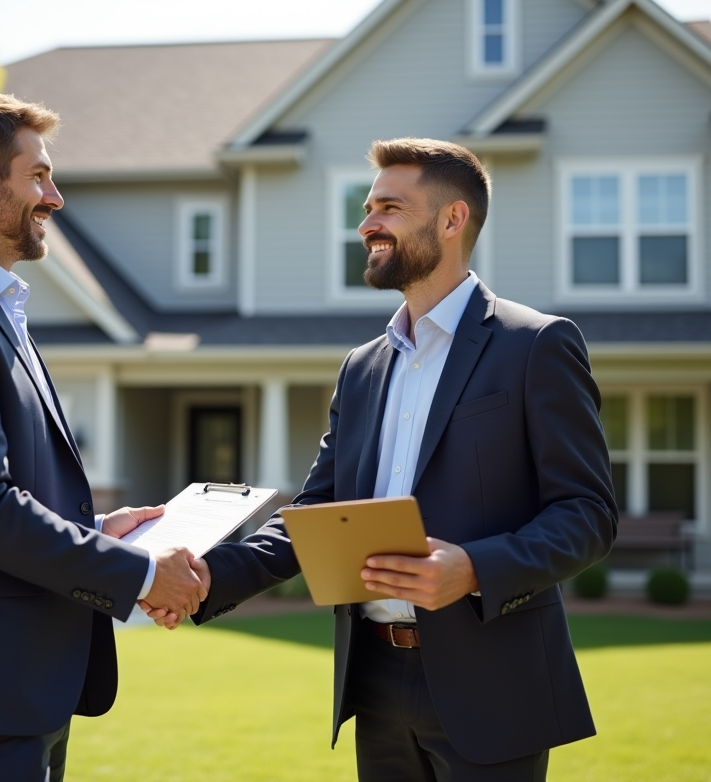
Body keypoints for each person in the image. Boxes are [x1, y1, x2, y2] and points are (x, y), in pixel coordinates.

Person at [144, 138, 618, 781]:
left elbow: (587, 513)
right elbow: (315, 514)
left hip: (494, 685)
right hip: (375, 684)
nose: (367, 223)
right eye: (368, 207)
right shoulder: (362, 367)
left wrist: (475, 568)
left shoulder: (536, 346)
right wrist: (203, 577)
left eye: (390, 207)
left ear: (452, 220)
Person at [0, 92, 207, 782]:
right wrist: (141, 573)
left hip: (22, 689)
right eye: (39, 176)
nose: (54, 197)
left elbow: (10, 490)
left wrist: (100, 530)